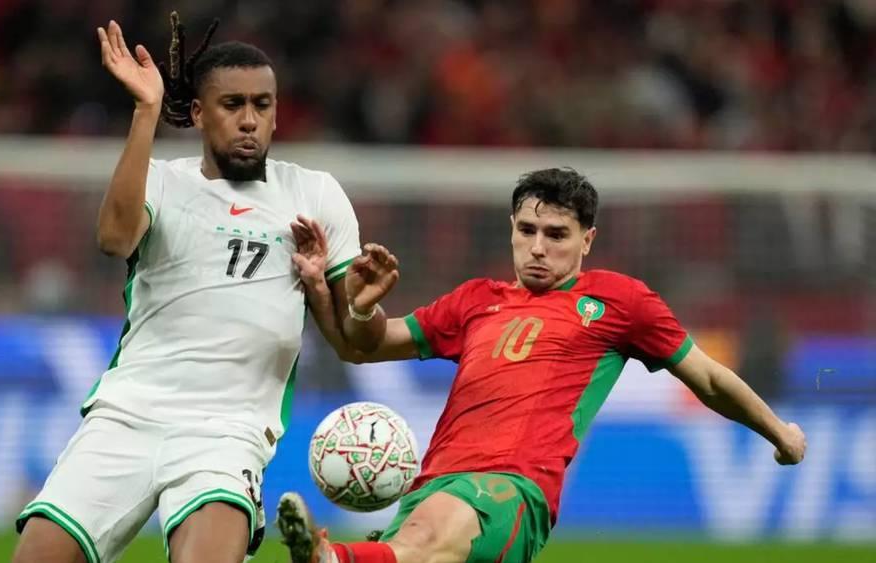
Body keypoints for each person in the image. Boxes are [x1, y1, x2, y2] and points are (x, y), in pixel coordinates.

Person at [280, 168, 808, 563]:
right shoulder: (475, 301)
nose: (537, 248)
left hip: (511, 490)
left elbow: (709, 378)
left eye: (556, 235)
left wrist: (779, 433)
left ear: (587, 240)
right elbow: (362, 346)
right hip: (431, 486)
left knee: (423, 542)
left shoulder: (619, 301)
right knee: (415, 542)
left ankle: (332, 558)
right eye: (527, 230)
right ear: (511, 227)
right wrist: (341, 296)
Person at [11, 13, 386, 563]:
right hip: (127, 414)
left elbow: (357, 340)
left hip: (227, 433)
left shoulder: (314, 194)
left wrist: (362, 303)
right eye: (233, 105)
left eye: (262, 104)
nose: (250, 120)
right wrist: (145, 111)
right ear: (197, 113)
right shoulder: (164, 181)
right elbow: (114, 238)